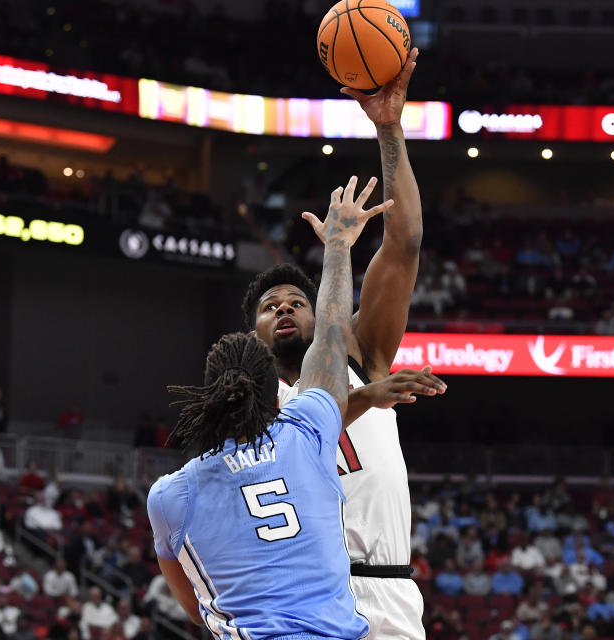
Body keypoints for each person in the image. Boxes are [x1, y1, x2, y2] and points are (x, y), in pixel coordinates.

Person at [245, 49, 447, 640]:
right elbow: (297, 437)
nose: (283, 307)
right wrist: (366, 397)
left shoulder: (361, 353)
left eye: (296, 302)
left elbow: (405, 240)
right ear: (253, 335)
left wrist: (388, 128)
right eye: (267, 306)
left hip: (387, 589)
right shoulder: (249, 401)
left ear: (325, 316)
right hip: (304, 591)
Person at [148, 176, 393, 639]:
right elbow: (333, 337)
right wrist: (338, 247)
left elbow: (197, 606)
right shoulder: (306, 430)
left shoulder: (169, 496)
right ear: (273, 391)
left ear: (207, 397)